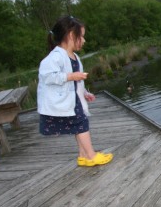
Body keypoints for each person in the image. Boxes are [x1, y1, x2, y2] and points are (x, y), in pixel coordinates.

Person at [37, 15, 113, 167]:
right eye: (82, 36)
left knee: (79, 126)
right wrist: (70, 76)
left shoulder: (75, 57)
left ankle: (83, 155)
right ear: (72, 36)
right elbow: (48, 76)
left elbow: (77, 83)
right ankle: (91, 155)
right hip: (64, 101)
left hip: (73, 99)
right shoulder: (55, 57)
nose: (84, 41)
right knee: (82, 125)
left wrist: (84, 93)